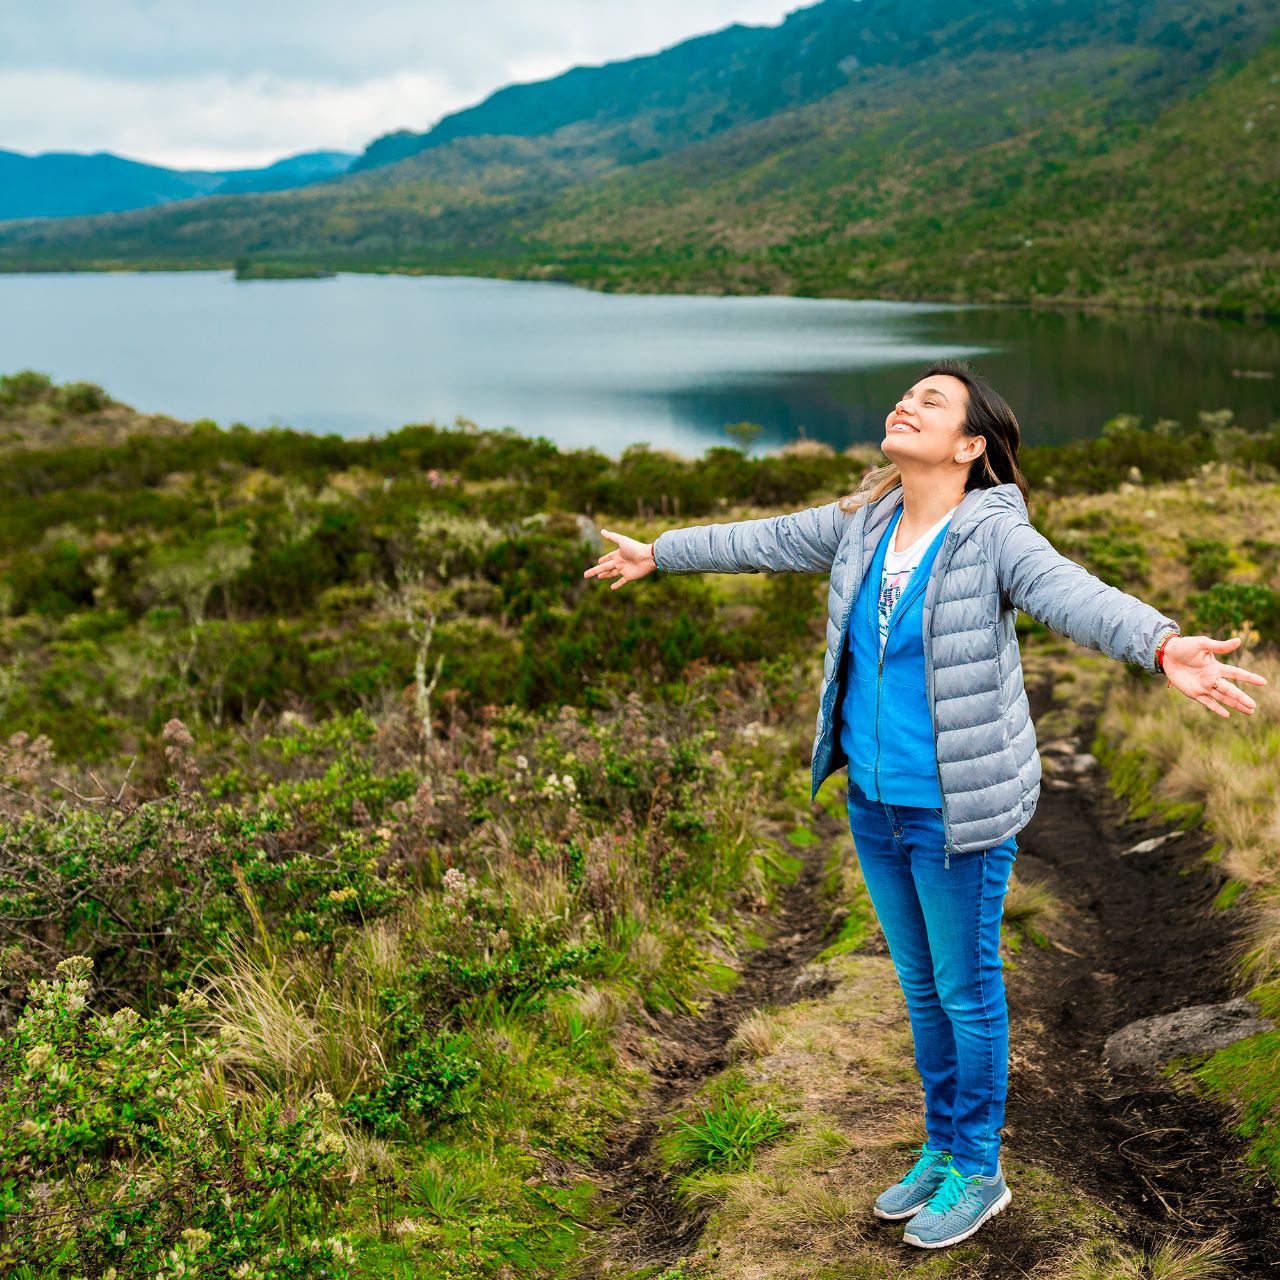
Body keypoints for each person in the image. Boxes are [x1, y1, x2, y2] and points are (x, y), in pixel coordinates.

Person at [582, 358, 1267, 1250]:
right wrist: (661, 553)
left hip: (957, 809)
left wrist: (1160, 644)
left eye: (931, 401)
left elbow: (1071, 593)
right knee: (919, 987)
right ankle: (942, 1147)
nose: (907, 403)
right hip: (874, 801)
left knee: (966, 989)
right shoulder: (869, 521)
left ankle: (980, 1170)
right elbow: (763, 539)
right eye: (909, 394)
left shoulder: (994, 534)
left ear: (969, 444)